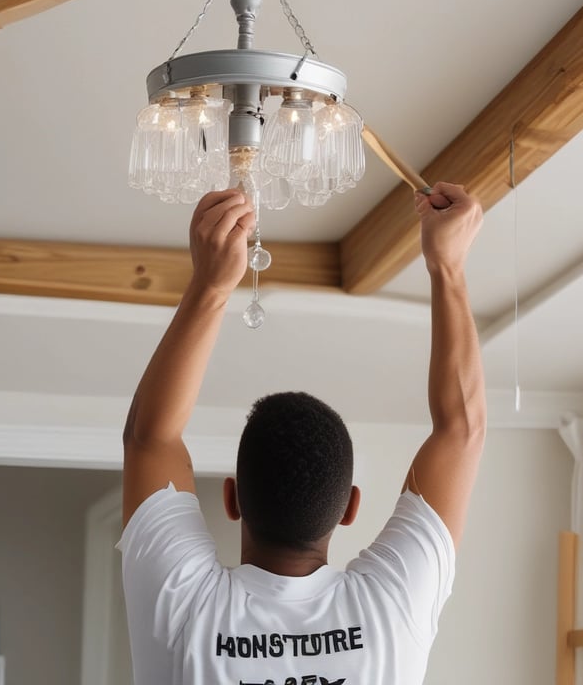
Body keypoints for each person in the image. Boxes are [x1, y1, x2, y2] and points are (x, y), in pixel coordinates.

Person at [119, 181, 486, 685]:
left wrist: (211, 286)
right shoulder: (391, 609)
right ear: (349, 506)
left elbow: (150, 438)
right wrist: (448, 266)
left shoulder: (185, 607)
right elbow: (461, 428)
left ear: (233, 499)